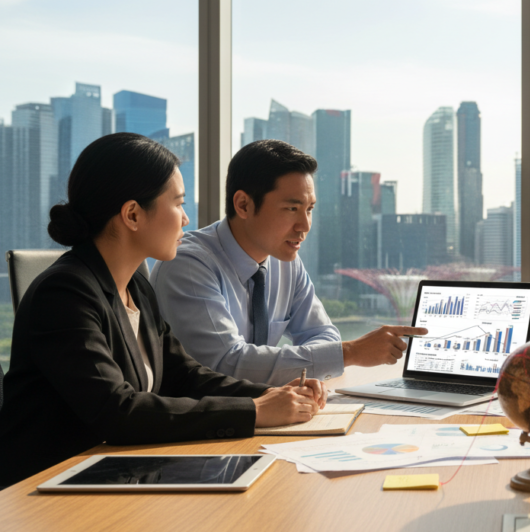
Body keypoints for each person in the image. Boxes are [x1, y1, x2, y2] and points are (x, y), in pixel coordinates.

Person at [0, 134, 326, 490]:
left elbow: (184, 375)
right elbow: (119, 412)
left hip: (115, 475)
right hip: (45, 492)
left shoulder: (137, 286)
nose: (186, 219)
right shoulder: (64, 294)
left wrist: (269, 394)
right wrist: (256, 412)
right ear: (133, 214)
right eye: (178, 204)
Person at [150, 139, 424, 386]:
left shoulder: (285, 260)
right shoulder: (188, 264)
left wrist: (307, 372)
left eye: (309, 209)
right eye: (291, 209)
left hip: (267, 411)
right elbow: (225, 364)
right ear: (243, 205)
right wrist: (350, 352)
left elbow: (322, 335)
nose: (304, 225)